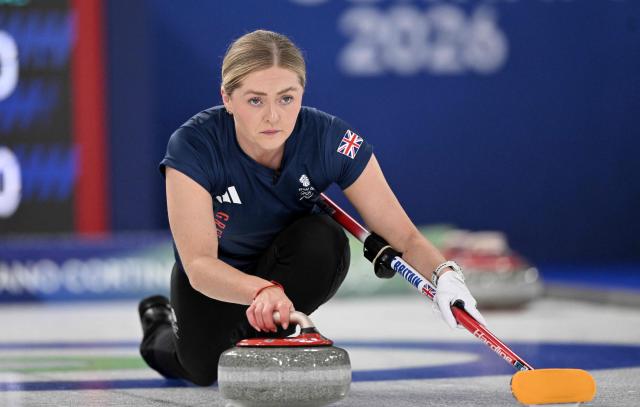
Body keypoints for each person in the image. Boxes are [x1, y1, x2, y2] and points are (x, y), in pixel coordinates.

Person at [138, 29, 487, 386]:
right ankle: (158, 326)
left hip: (289, 264)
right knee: (202, 369)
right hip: (220, 275)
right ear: (227, 98)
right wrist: (260, 290)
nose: (273, 116)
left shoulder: (331, 139)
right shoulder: (193, 145)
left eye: (286, 98)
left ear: (302, 93)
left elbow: (404, 235)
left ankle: (270, 336)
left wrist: (445, 275)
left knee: (327, 240)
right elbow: (198, 265)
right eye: (255, 100)